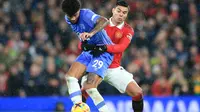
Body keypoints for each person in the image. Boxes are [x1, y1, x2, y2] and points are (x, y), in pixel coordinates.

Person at [81, 0, 143, 112]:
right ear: (113, 10)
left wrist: (104, 47)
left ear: (126, 14)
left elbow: (121, 47)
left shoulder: (128, 30)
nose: (121, 14)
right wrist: (85, 43)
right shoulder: (100, 23)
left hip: (113, 67)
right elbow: (84, 42)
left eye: (124, 12)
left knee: (138, 93)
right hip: (97, 64)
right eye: (119, 11)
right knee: (85, 91)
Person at [61, 0, 114, 112]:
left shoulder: (86, 14)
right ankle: (79, 107)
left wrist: (91, 33)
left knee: (89, 86)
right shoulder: (68, 18)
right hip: (89, 51)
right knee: (70, 77)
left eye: (75, 15)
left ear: (78, 11)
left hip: (103, 51)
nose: (73, 19)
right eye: (70, 16)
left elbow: (104, 21)